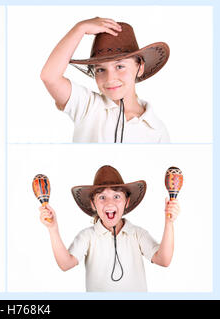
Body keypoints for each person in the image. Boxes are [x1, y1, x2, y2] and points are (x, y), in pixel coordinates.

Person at [39, 165, 180, 291]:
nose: (109, 203)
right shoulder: (88, 236)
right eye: (102, 197)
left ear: (127, 202)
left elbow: (164, 260)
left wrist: (169, 222)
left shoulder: (137, 234)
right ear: (93, 204)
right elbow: (65, 264)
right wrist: (53, 229)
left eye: (117, 196)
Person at [40, 17, 170, 143]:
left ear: (140, 67)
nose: (110, 78)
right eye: (101, 70)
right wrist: (80, 28)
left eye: (120, 66)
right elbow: (50, 77)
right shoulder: (87, 105)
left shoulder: (156, 130)